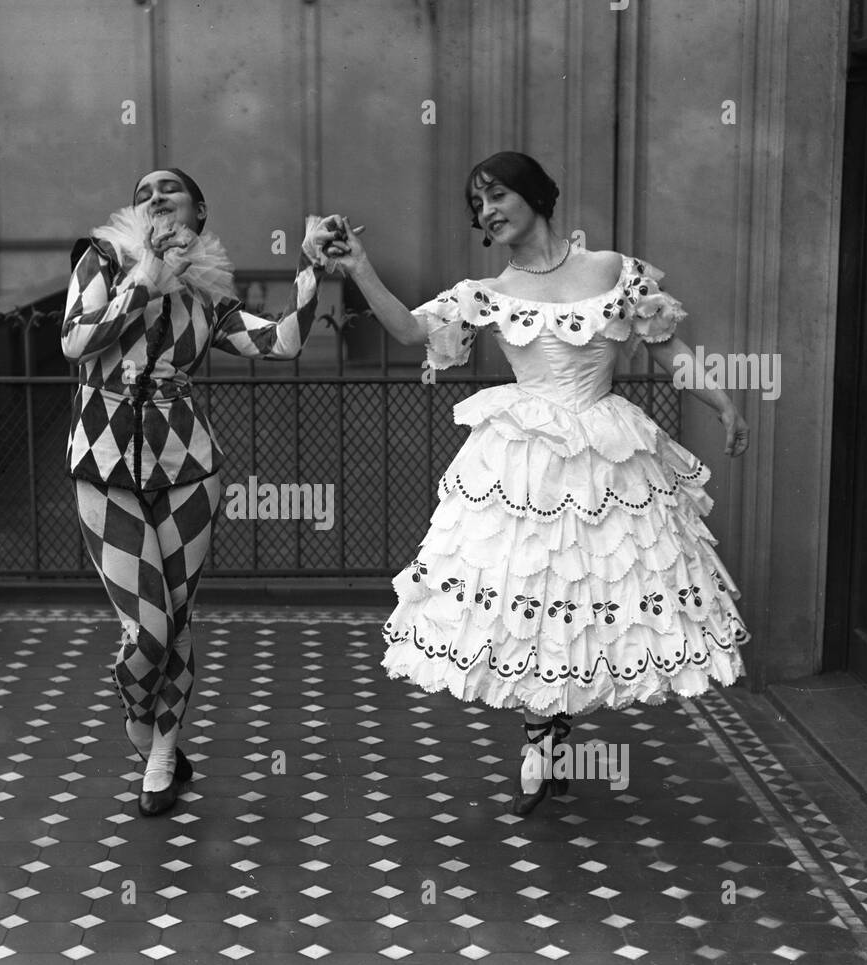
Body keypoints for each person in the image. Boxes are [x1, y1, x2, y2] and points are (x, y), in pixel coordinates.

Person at [320, 151, 752, 817]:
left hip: (606, 453)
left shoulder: (610, 270)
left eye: (495, 194)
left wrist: (723, 403)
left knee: (592, 588)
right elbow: (410, 328)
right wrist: (357, 268)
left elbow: (667, 345)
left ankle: (555, 727)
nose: (487, 211)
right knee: (525, 594)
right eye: (478, 204)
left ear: (536, 194)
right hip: (523, 462)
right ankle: (537, 741)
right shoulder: (489, 292)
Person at [62, 167, 341, 816]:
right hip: (104, 467)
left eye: (170, 189)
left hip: (189, 469)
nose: (155, 196)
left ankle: (163, 752)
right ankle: (141, 720)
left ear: (199, 209)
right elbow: (78, 339)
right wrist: (145, 277)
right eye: (142, 191)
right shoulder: (102, 259)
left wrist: (309, 268)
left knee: (178, 622)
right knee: (147, 629)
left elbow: (284, 342)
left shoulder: (206, 292)